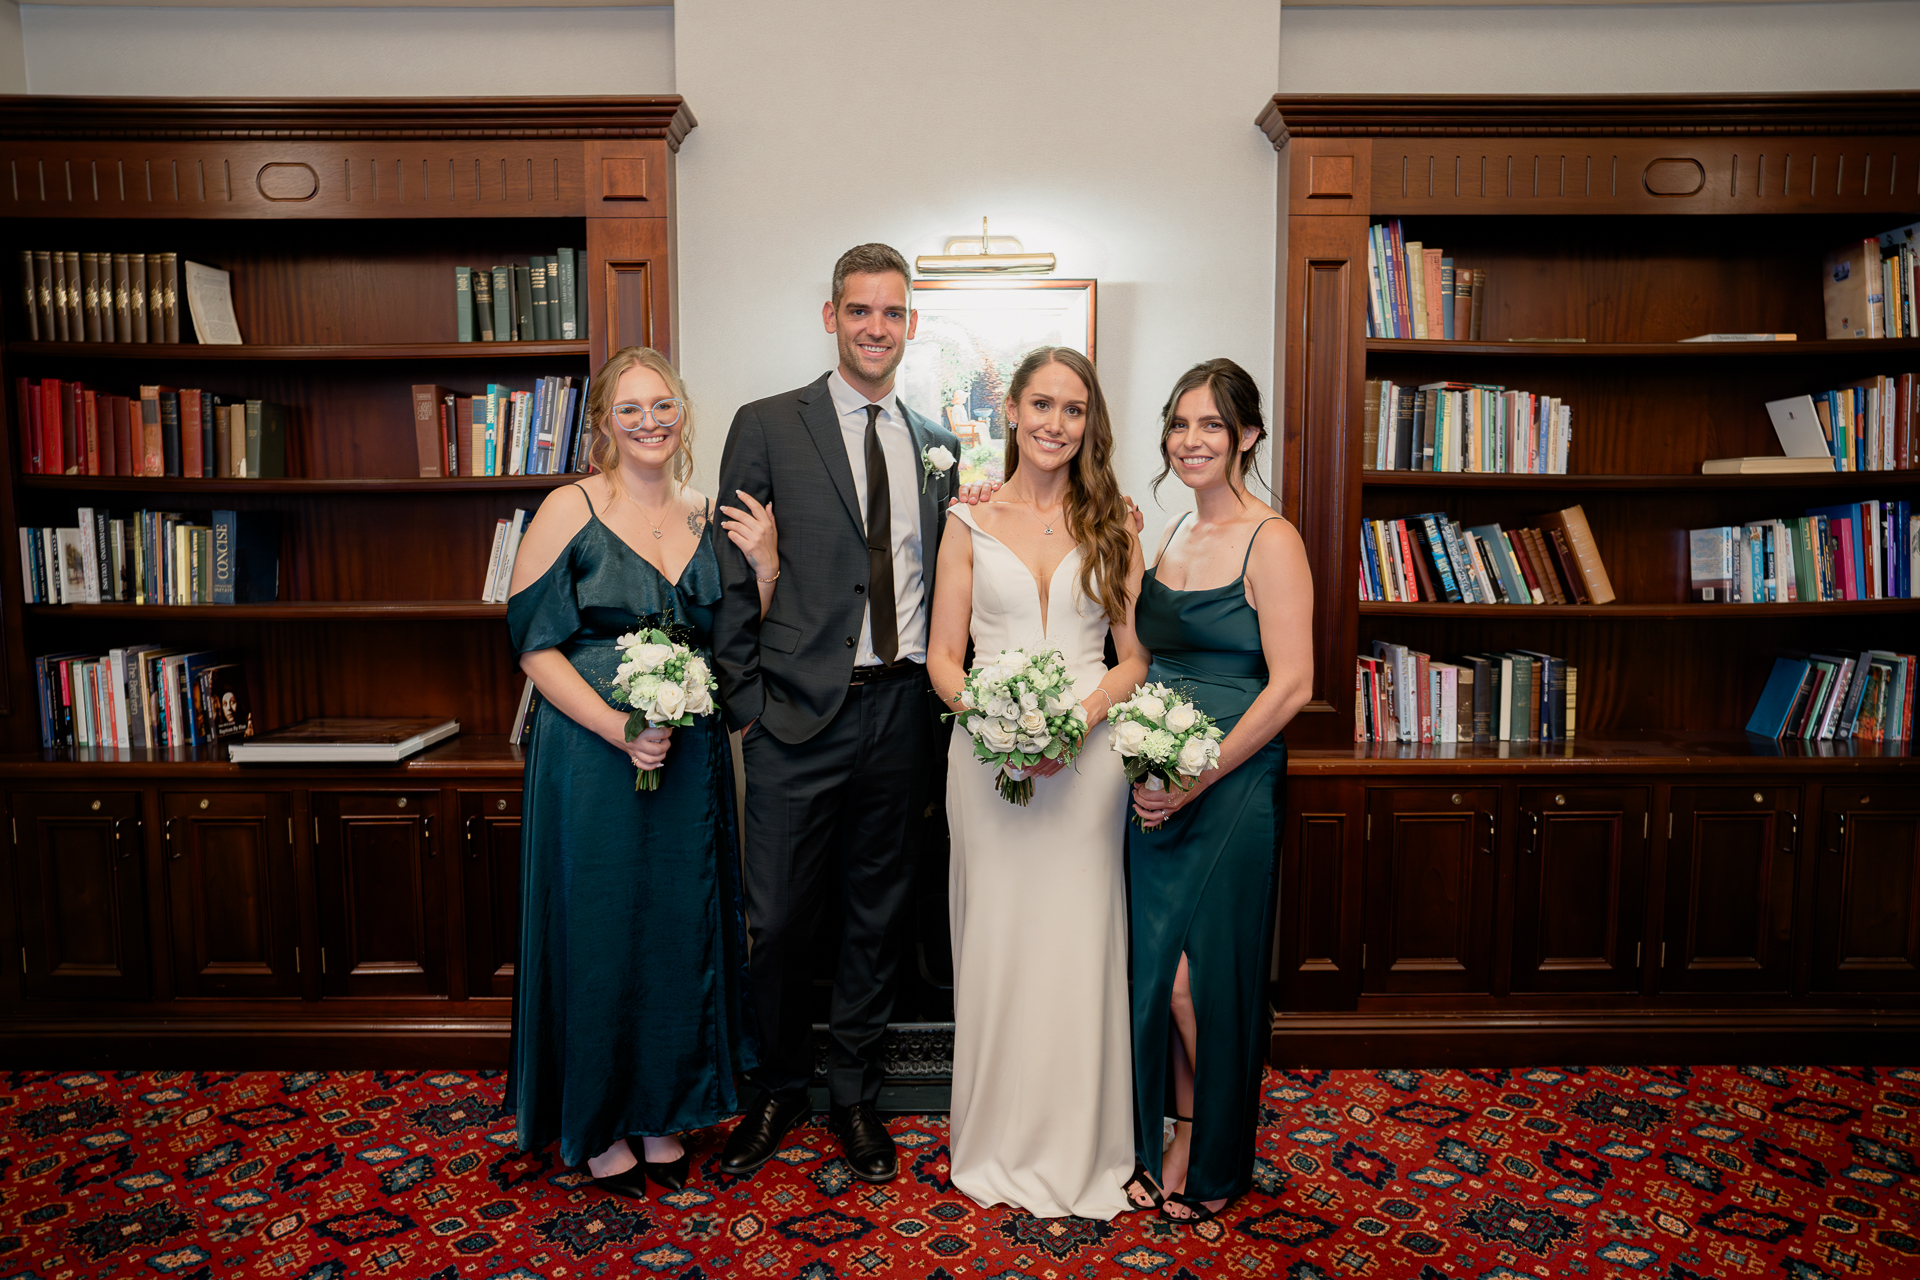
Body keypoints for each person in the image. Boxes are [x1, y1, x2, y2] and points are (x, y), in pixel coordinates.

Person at [712, 243, 963, 1184]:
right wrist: (746, 705)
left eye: (891, 313)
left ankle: (854, 1095)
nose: (874, 327)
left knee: (876, 916)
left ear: (910, 323)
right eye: (858, 310)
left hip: (902, 714)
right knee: (776, 923)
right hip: (793, 717)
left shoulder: (936, 442)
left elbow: (945, 579)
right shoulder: (769, 423)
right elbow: (733, 570)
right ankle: (779, 1087)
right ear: (831, 317)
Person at [504, 346, 766, 1199]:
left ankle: (662, 1110)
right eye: (631, 409)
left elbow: (732, 638)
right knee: (602, 925)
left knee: (675, 928)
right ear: (603, 424)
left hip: (684, 759)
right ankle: (599, 1121)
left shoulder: (703, 515)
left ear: (682, 414)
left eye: (664, 406)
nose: (650, 421)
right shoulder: (568, 507)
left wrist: (761, 568)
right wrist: (619, 727)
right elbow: (533, 647)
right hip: (589, 757)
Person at [927, 346, 1147, 1220]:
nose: (1057, 423)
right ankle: (996, 1140)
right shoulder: (969, 519)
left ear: (1090, 424)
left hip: (1088, 766)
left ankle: (1084, 1142)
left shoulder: (1117, 523)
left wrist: (1077, 720)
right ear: (1012, 411)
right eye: (1043, 404)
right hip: (987, 763)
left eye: (1075, 409)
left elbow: (1133, 659)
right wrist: (996, 722)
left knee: (1079, 946)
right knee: (1001, 947)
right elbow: (944, 659)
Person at [1124, 358, 1313, 1224]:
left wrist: (1199, 776)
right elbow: (1141, 650)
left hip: (1229, 784)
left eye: (1210, 426)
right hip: (1154, 779)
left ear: (1247, 436)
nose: (1191, 441)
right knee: (1158, 973)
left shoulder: (1271, 538)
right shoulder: (1168, 537)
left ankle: (1208, 1144)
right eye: (1179, 424)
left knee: (1202, 984)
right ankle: (1180, 1125)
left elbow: (1292, 686)